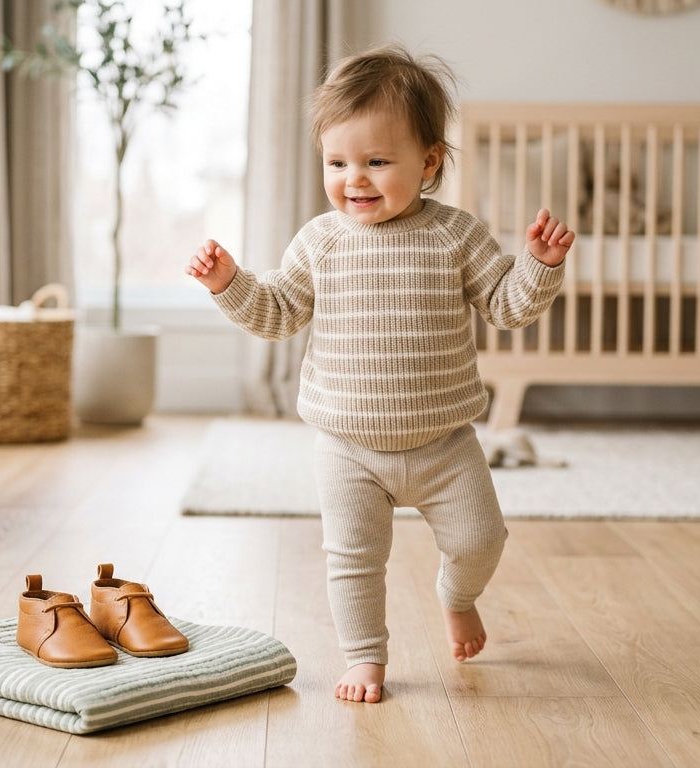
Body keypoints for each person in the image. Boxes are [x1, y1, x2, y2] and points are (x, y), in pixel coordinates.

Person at [185, 44, 574, 704]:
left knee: (484, 538)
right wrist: (230, 283)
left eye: (376, 161)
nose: (354, 179)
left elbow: (507, 308)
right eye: (337, 162)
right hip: (347, 447)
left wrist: (537, 265)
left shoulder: (457, 236)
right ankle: (365, 657)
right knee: (354, 561)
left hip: (445, 442)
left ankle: (457, 594)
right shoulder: (319, 241)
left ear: (428, 163)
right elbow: (278, 312)